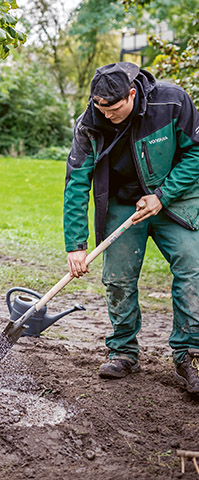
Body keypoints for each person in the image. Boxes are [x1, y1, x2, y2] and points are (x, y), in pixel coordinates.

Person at [64, 61, 199, 395]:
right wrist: (75, 244)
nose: (106, 115)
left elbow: (196, 153)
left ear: (132, 94)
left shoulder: (171, 102)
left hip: (174, 197)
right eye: (100, 107)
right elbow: (77, 183)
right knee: (118, 278)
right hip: (123, 203)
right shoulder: (89, 125)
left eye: (113, 108)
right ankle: (123, 351)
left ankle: (189, 355)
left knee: (192, 267)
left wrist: (162, 196)